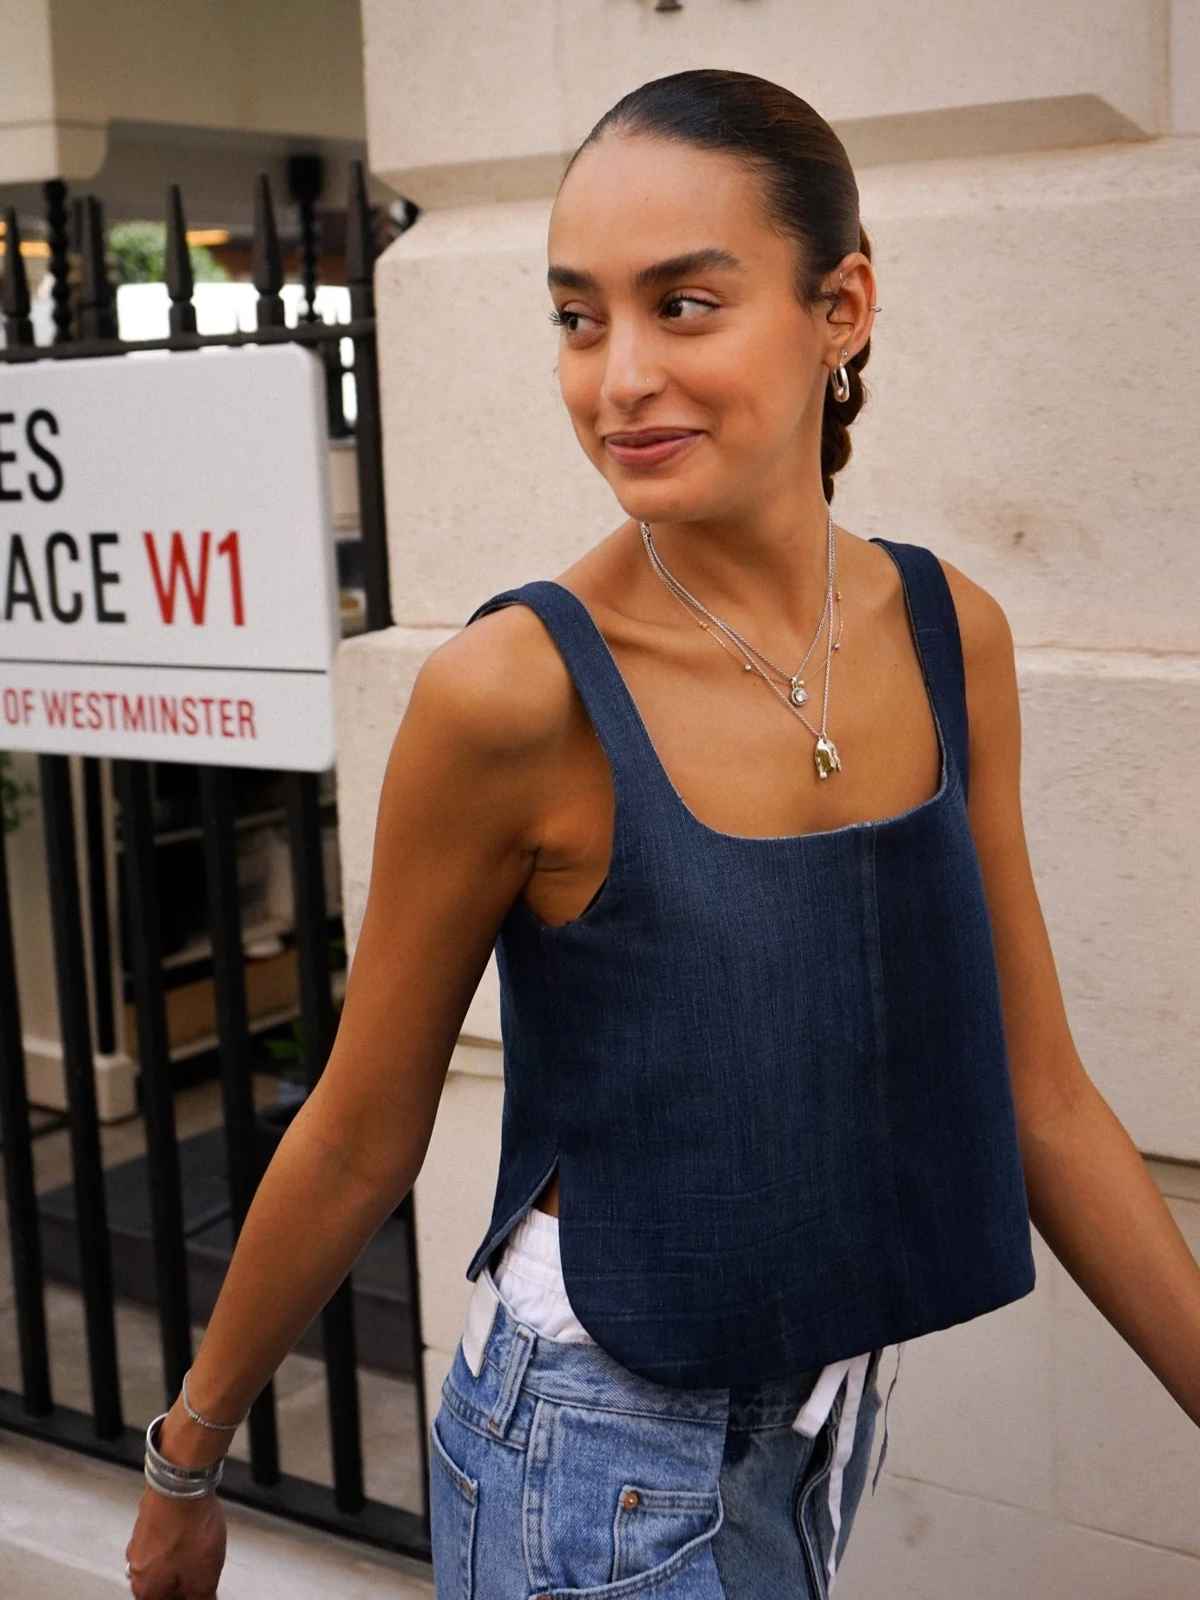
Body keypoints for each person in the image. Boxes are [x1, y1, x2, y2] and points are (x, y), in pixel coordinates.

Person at [124, 68, 1200, 1600]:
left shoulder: (953, 633)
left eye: (683, 305)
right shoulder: (516, 693)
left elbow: (1042, 1100)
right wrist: (187, 1457)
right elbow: (364, 1127)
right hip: (589, 1464)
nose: (618, 376)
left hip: (818, 1432)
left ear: (843, 310)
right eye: (578, 316)